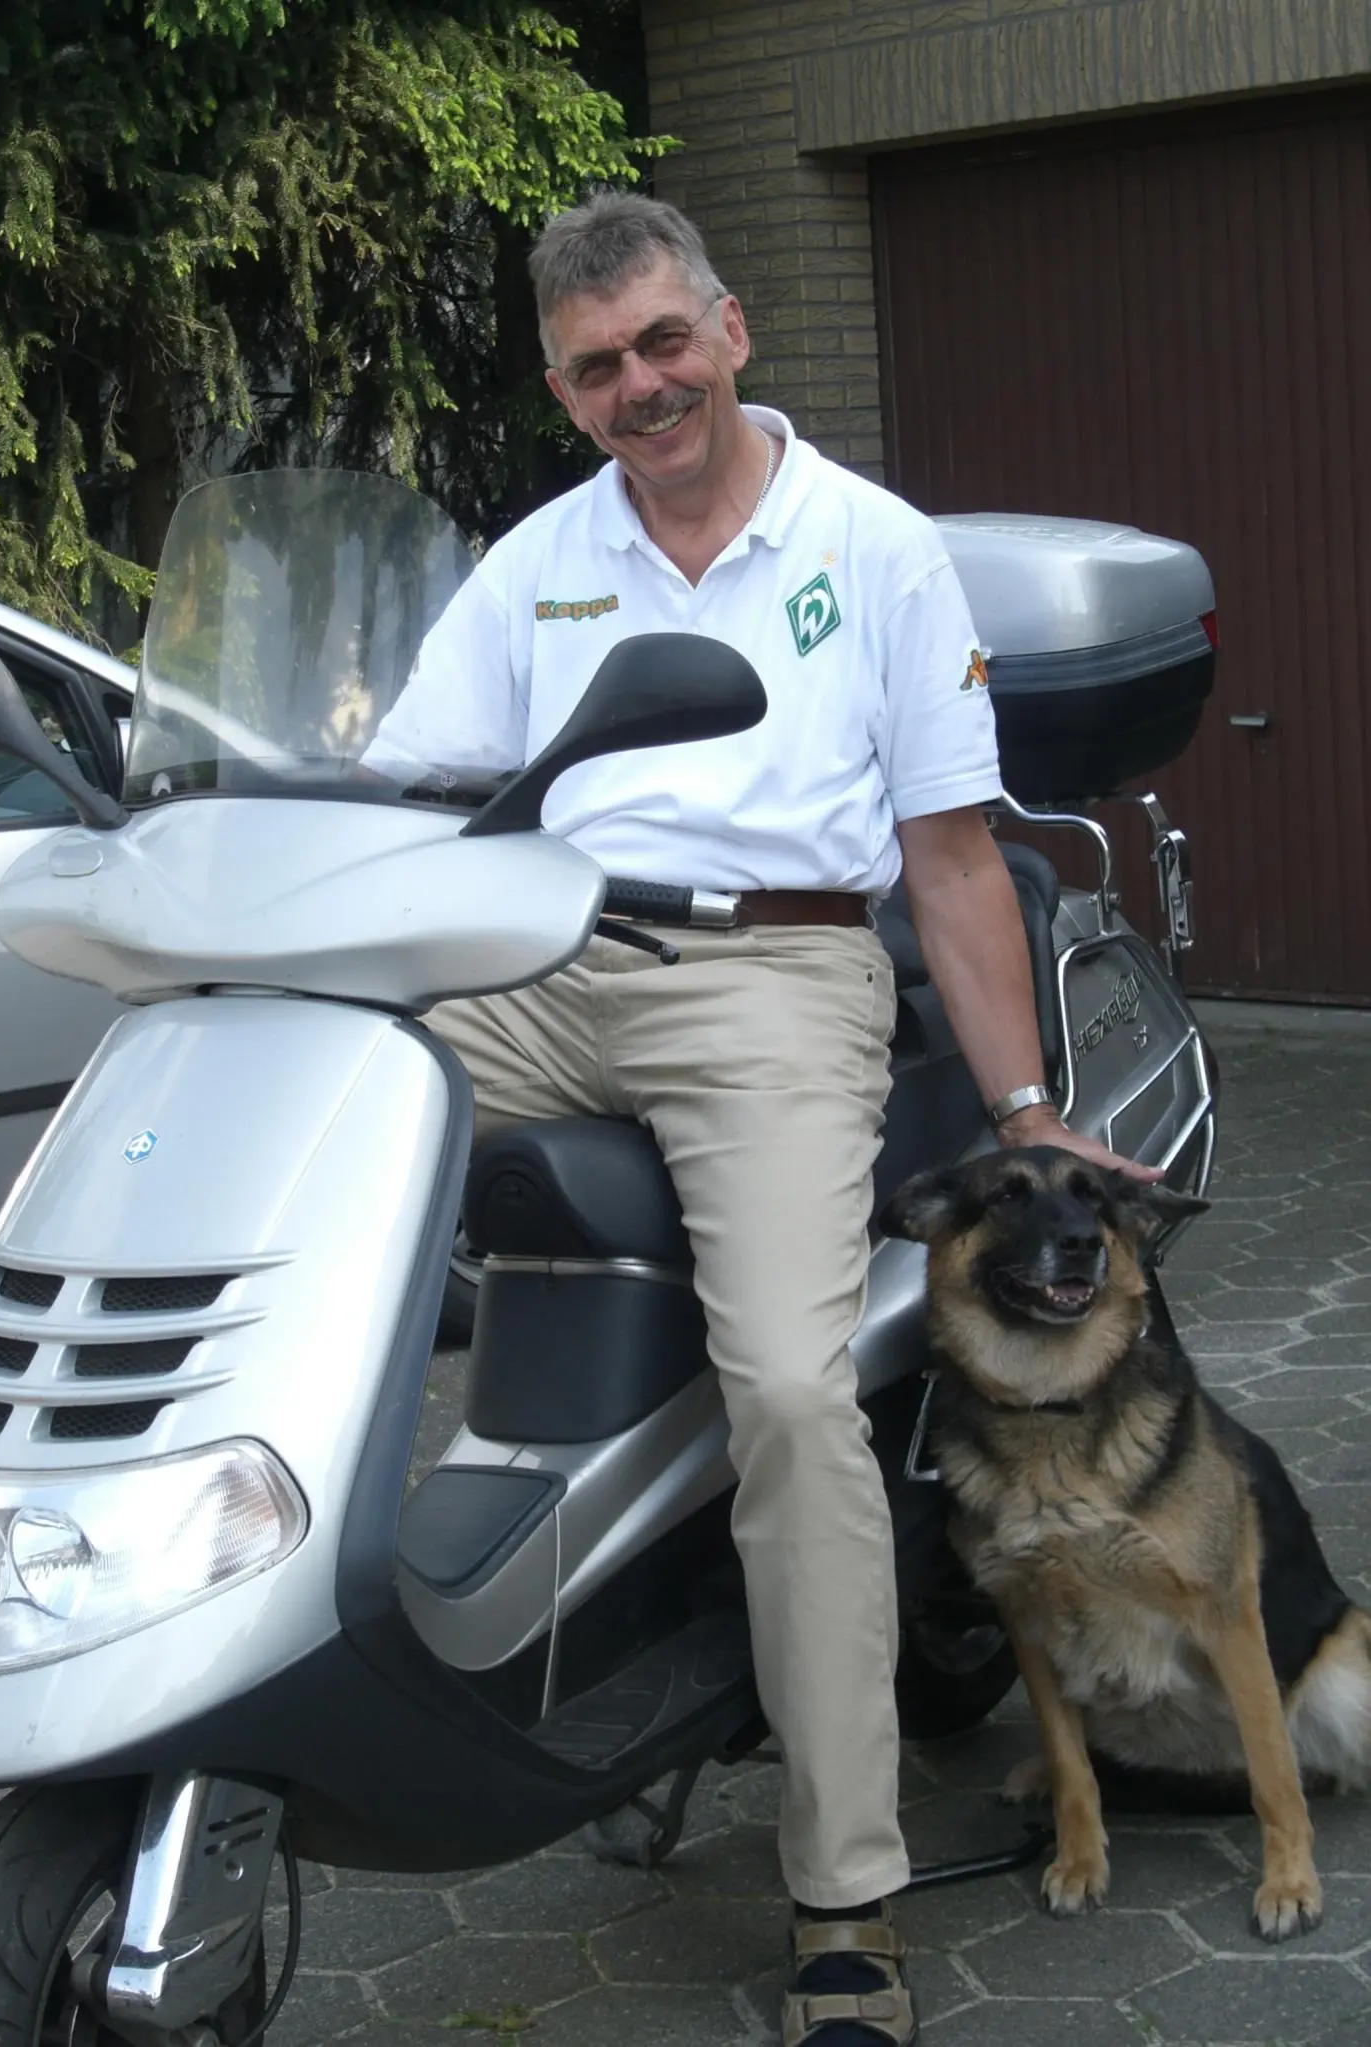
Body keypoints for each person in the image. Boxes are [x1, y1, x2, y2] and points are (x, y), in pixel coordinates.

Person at [367, 192, 1155, 2047]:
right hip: (543, 957)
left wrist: (1028, 1108)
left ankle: (843, 1894)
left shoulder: (872, 548)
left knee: (792, 1397)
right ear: (561, 392)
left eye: (662, 342)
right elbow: (407, 791)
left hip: (771, 976)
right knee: (313, 1131)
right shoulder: (537, 563)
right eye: (595, 367)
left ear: (728, 330)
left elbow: (946, 859)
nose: (639, 387)